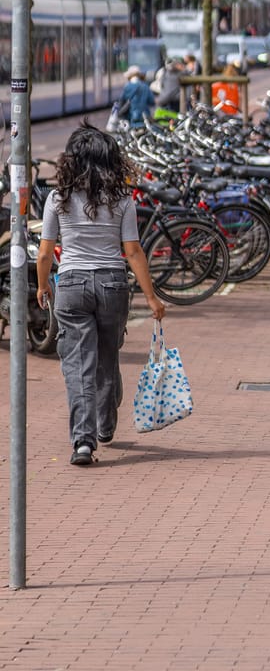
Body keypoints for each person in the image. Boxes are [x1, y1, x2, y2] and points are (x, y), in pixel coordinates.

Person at [36, 121, 166, 467]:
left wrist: (43, 284)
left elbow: (46, 252)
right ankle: (106, 423)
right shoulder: (123, 200)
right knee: (108, 356)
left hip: (73, 284)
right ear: (111, 161)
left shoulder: (57, 198)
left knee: (78, 365)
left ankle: (83, 441)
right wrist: (152, 297)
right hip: (112, 283)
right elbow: (134, 251)